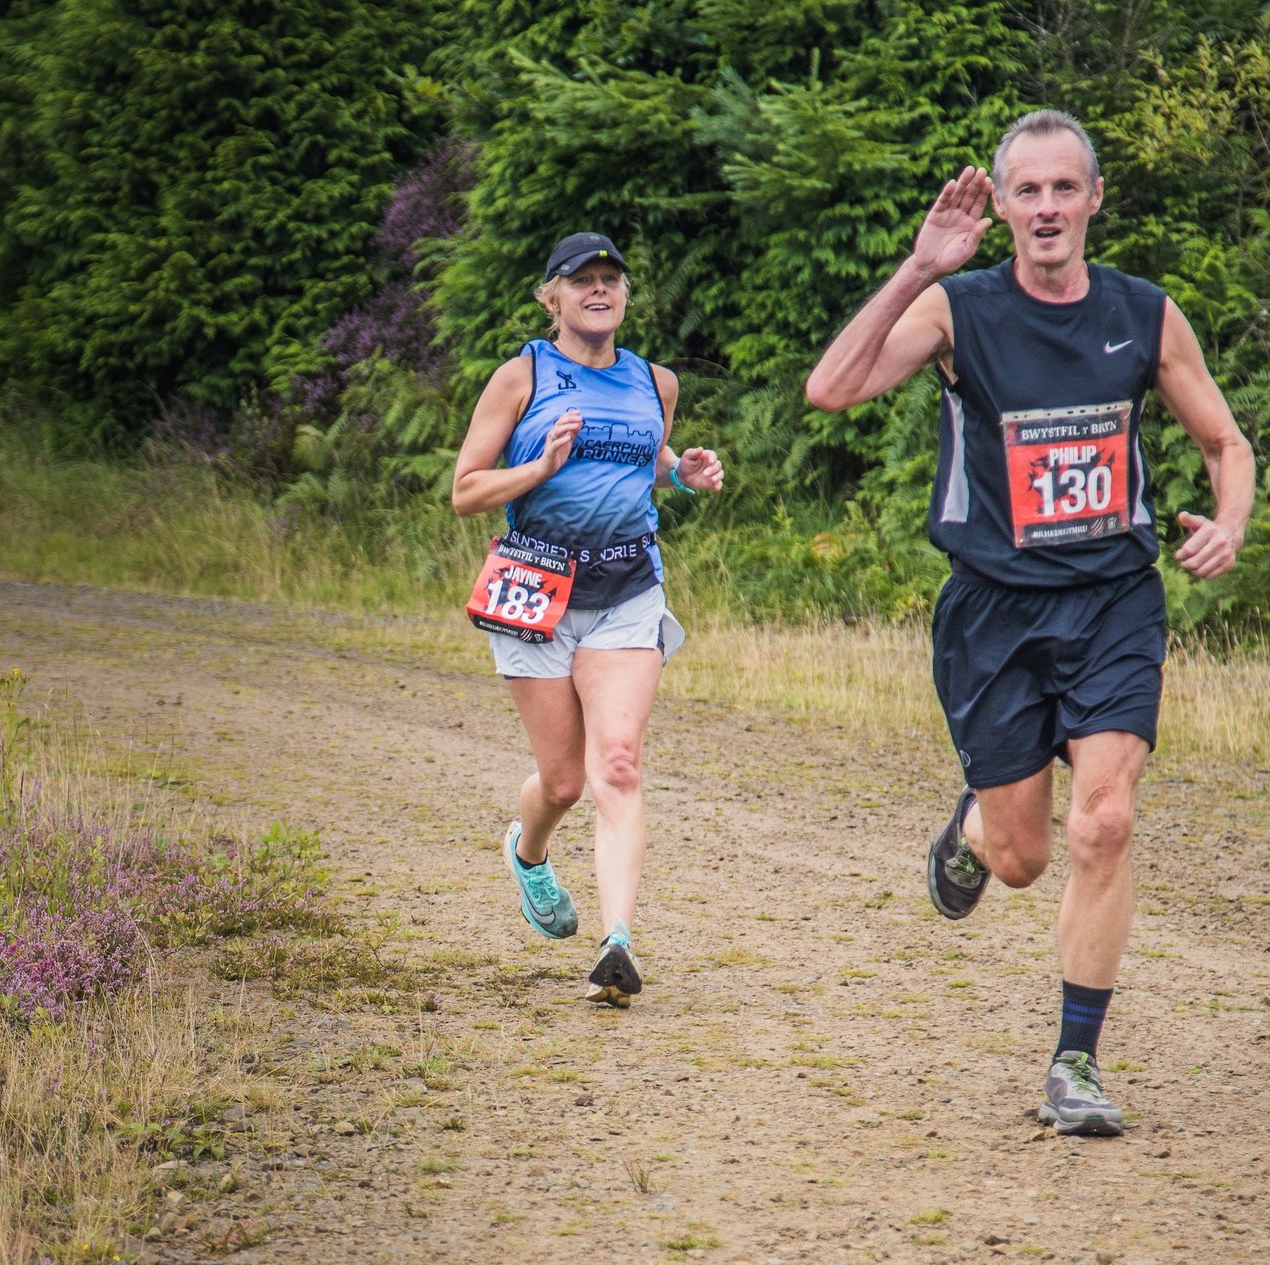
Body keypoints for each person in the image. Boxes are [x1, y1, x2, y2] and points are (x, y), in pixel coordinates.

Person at [805, 110, 1256, 1134]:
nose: (1047, 207)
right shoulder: (958, 311)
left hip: (1113, 600)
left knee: (1103, 818)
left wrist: (1228, 524)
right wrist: (919, 268)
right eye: (1028, 190)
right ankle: (970, 833)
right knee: (1023, 854)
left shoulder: (1146, 314)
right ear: (1001, 204)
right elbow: (831, 389)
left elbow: (1228, 443)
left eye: (1066, 188)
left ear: (1094, 199)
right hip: (993, 611)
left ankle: (1075, 1062)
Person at [452, 231, 724, 1007]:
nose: (598, 290)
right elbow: (466, 489)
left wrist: (685, 472)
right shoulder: (523, 376)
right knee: (565, 780)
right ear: (554, 298)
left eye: (611, 279)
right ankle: (529, 852)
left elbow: (649, 458)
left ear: (625, 295)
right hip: (534, 588)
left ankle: (617, 944)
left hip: (627, 587)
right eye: (582, 281)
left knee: (618, 764)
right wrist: (537, 470)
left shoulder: (654, 381)